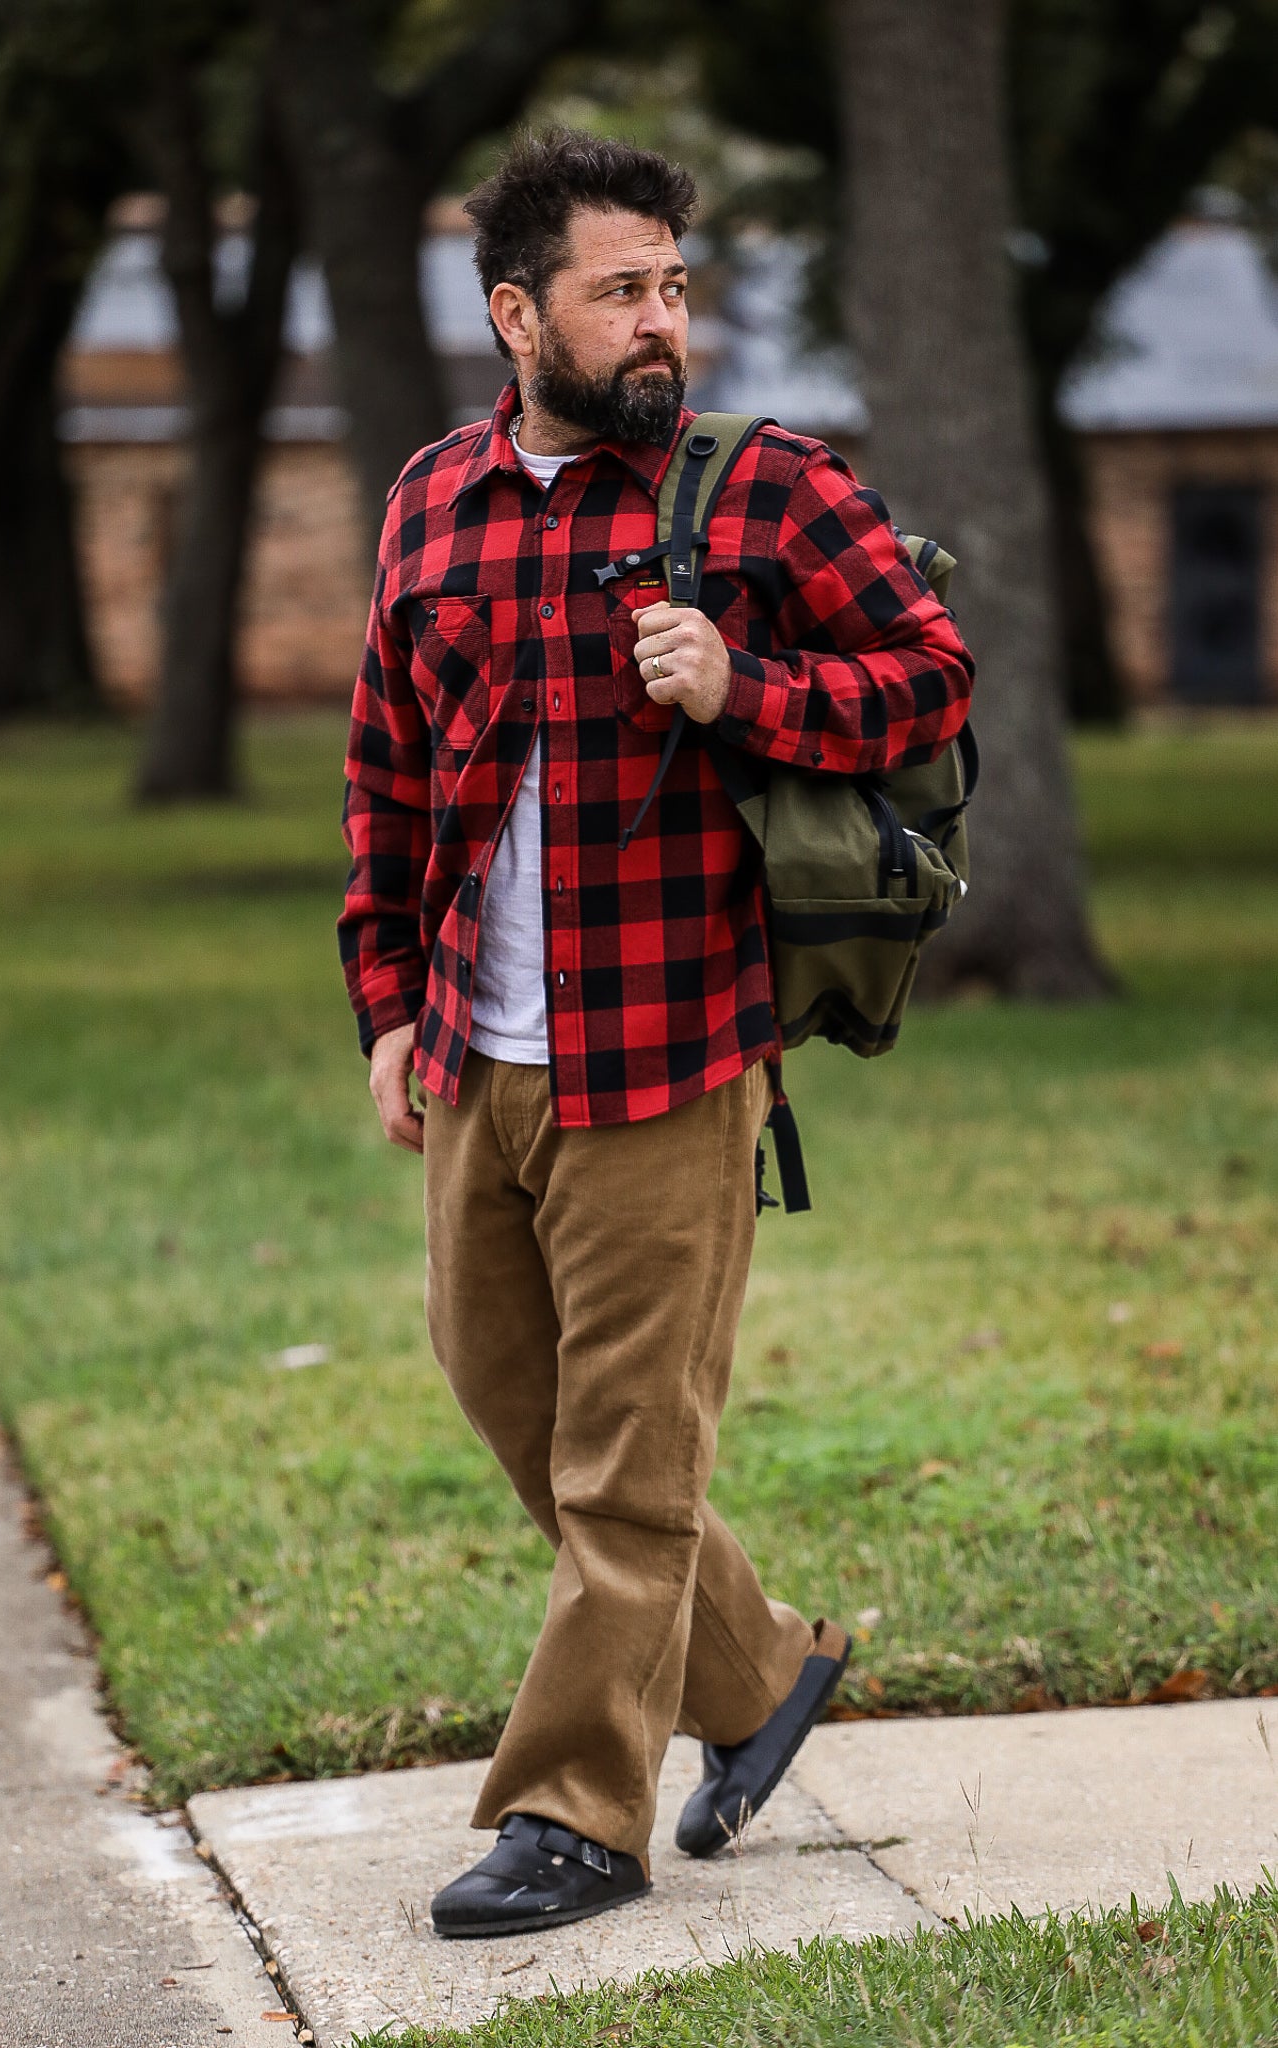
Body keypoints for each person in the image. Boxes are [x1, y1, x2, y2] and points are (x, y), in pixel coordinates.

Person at [338, 127, 974, 1940]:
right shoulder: (433, 498)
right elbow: (391, 768)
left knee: (629, 1455)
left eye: (673, 287)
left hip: (671, 1050)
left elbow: (930, 673)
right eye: (619, 291)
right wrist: (388, 999)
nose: (657, 324)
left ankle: (571, 1816)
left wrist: (746, 684)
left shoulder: (762, 489)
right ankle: (763, 1668)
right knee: (505, 1395)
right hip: (483, 1048)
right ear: (513, 312)